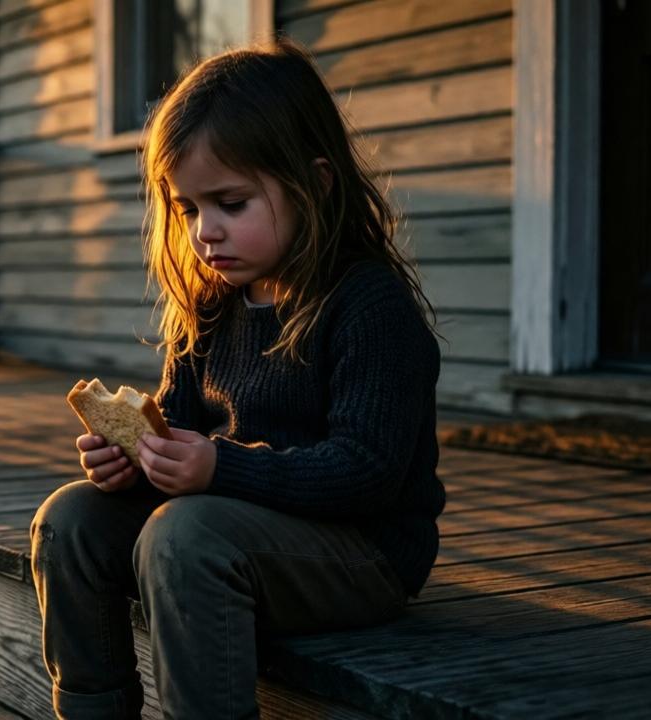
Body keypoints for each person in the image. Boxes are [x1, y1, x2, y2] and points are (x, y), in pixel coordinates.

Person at [29, 36, 447, 720]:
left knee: (184, 534)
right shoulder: (213, 306)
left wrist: (217, 469)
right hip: (234, 532)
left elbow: (368, 471)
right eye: (190, 209)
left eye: (231, 203)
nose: (204, 234)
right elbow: (183, 428)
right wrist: (137, 459)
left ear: (315, 184)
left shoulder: (368, 306)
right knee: (70, 518)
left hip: (362, 555)